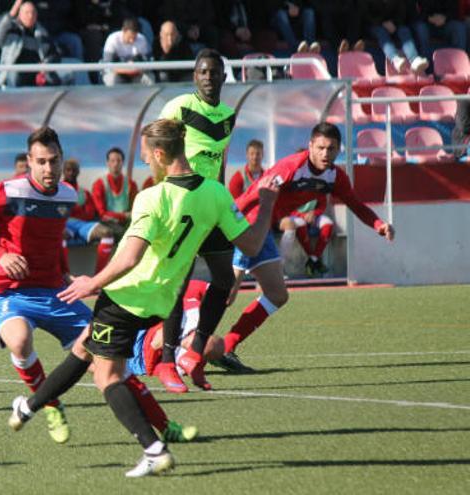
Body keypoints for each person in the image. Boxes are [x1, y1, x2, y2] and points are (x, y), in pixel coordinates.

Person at [8, 118, 278, 477]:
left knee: (108, 378)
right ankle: (28, 408)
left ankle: (154, 450)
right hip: (163, 304)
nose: (145, 163)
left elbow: (129, 258)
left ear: (162, 154)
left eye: (148, 156)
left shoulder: (153, 196)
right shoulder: (215, 193)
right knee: (85, 346)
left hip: (126, 298)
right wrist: (268, 203)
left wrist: (93, 283)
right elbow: (252, 244)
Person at [219, 123, 395, 373]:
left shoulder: (334, 176)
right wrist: (224, 220)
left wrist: (378, 224)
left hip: (265, 229)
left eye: (331, 149)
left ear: (338, 150)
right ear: (311, 145)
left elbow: (355, 203)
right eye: (321, 147)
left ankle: (224, 346)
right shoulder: (291, 167)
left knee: (277, 295)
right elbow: (252, 194)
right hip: (249, 223)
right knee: (227, 294)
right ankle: (187, 348)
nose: (326, 153)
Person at [0, 127, 84, 444]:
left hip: (56, 291)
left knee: (106, 354)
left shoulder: (68, 194)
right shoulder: (8, 191)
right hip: (14, 292)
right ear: (29, 161)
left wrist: (67, 274)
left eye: (53, 161)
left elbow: (56, 241)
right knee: (20, 342)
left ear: (61, 160)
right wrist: (1, 255)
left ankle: (157, 430)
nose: (48, 168)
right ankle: (50, 404)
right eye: (41, 161)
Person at [156, 49, 237, 393]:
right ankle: (166, 361)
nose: (207, 77)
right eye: (202, 72)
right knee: (177, 284)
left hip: (212, 207)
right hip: (182, 207)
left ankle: (194, 351)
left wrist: (222, 198)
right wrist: (164, 194)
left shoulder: (229, 116)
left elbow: (219, 161)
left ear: (222, 77)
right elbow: (156, 150)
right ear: (194, 77)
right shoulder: (178, 108)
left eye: (213, 72)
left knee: (225, 279)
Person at [127, 280, 225, 380]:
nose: (189, 344)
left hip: (138, 355)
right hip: (144, 320)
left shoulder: (184, 365)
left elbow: (154, 366)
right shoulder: (197, 315)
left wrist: (149, 369)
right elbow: (198, 289)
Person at [0, 0, 61, 88]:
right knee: (14, 75)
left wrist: (46, 64)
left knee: (65, 74)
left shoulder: (42, 33)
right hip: (14, 73)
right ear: (19, 14)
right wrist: (13, 12)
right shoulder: (10, 30)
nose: (30, 16)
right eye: (27, 13)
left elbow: (54, 54)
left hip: (37, 73)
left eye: (33, 13)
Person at [90, 147, 138, 273]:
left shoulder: (131, 184)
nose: (116, 164)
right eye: (112, 161)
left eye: (119, 160)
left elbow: (135, 209)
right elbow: (102, 213)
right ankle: (99, 275)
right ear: (107, 163)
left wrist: (126, 217)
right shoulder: (99, 184)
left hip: (125, 224)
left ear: (122, 162)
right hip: (107, 224)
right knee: (113, 235)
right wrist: (124, 215)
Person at [364, 0, 429, 75]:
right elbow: (366, 16)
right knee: (381, 33)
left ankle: (414, 59)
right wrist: (382, 23)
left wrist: (394, 23)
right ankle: (395, 59)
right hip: (374, 25)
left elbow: (401, 13)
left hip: (393, 24)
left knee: (404, 30)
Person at [278, 198, 334, 277]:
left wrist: (314, 213)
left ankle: (312, 260)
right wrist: (303, 215)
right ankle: (279, 267)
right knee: (300, 223)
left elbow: (322, 203)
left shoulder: (318, 186)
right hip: (293, 216)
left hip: (313, 215)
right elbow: (286, 205)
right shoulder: (292, 186)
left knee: (328, 223)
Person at [62, 158, 111, 247]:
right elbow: (60, 213)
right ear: (63, 171)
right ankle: (63, 261)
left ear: (78, 172)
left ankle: (103, 261)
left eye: (74, 170)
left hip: (82, 225)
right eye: (68, 170)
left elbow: (90, 214)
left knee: (106, 232)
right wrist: (79, 209)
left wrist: (71, 211)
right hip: (64, 225)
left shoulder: (84, 193)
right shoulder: (57, 190)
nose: (71, 173)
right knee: (60, 234)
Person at [101, 17, 153, 86]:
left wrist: (135, 69)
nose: (132, 41)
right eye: (129, 37)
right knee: (112, 80)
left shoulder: (141, 39)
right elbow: (108, 65)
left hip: (136, 73)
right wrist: (126, 70)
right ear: (123, 31)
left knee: (149, 79)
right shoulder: (112, 39)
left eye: (134, 38)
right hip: (116, 72)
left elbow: (147, 63)